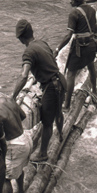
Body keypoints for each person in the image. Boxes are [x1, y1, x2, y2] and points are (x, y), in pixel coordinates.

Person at [13, 20, 65, 163]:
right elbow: (51, 60)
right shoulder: (42, 43)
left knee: (47, 122)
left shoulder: (28, 52)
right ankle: (60, 134)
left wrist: (13, 97)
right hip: (60, 81)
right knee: (58, 112)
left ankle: (43, 154)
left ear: (21, 38)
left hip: (52, 87)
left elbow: (24, 76)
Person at [55, 0, 97, 111]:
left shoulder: (74, 13)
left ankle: (67, 105)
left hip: (79, 47)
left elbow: (68, 35)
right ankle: (94, 91)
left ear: (77, 0)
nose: (70, 2)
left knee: (70, 74)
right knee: (91, 67)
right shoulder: (91, 10)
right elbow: (95, 29)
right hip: (91, 45)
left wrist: (57, 49)